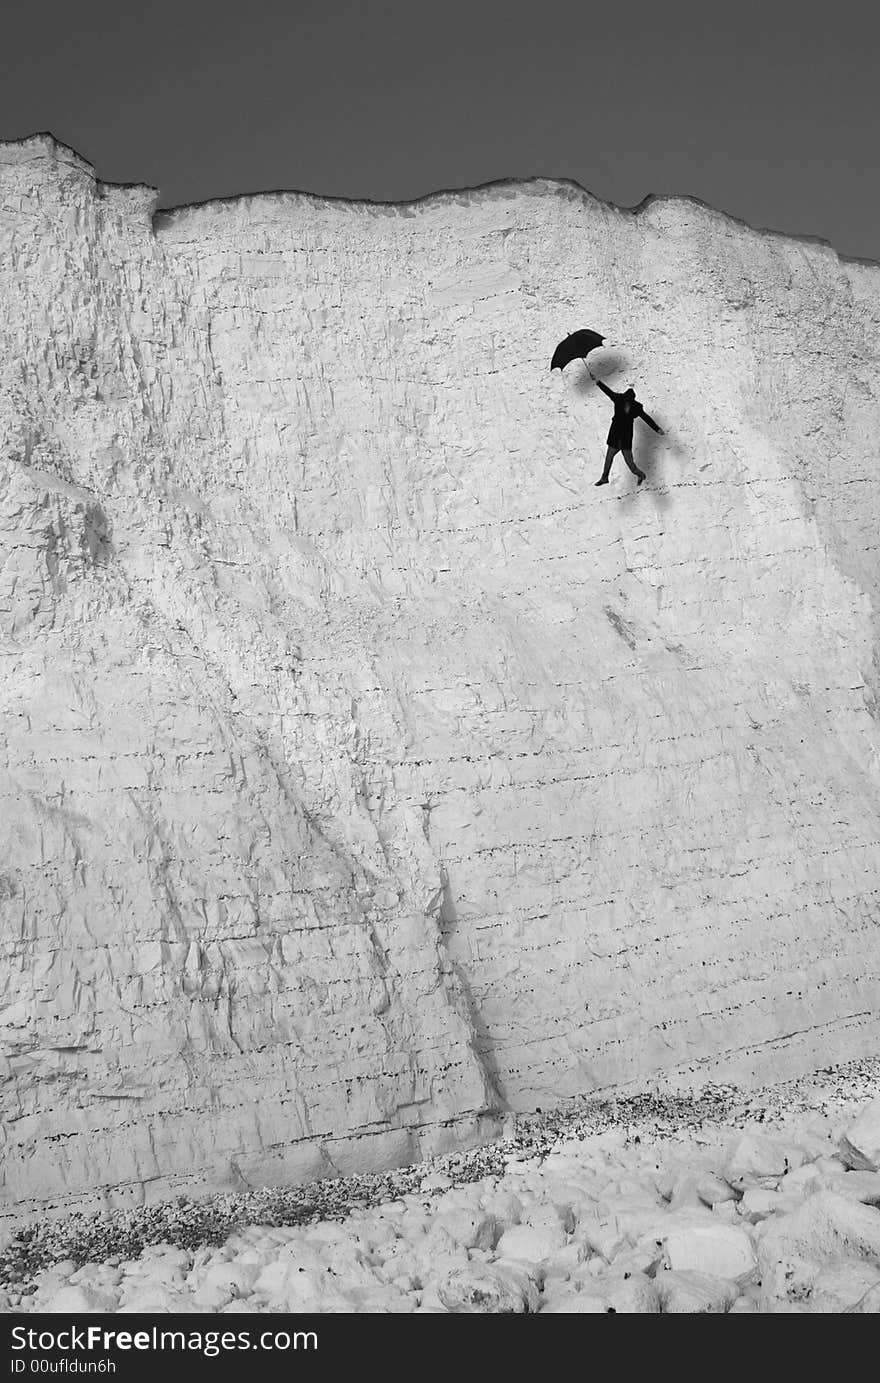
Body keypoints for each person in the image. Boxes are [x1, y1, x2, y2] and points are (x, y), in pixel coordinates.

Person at [588, 370, 664, 486]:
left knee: (630, 464)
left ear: (632, 401)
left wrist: (657, 429)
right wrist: (597, 381)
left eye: (629, 403)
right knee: (608, 459)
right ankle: (604, 478)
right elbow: (607, 391)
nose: (627, 405)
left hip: (625, 438)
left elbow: (646, 418)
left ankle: (640, 475)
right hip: (615, 436)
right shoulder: (618, 399)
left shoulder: (636, 407)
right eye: (626, 402)